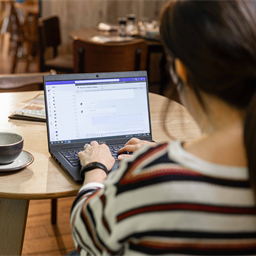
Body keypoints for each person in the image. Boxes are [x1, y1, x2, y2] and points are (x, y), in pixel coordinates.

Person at [69, 0, 256, 255]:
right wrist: (161, 152)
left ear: (180, 70)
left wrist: (95, 169)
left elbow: (85, 235)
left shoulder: (150, 175)